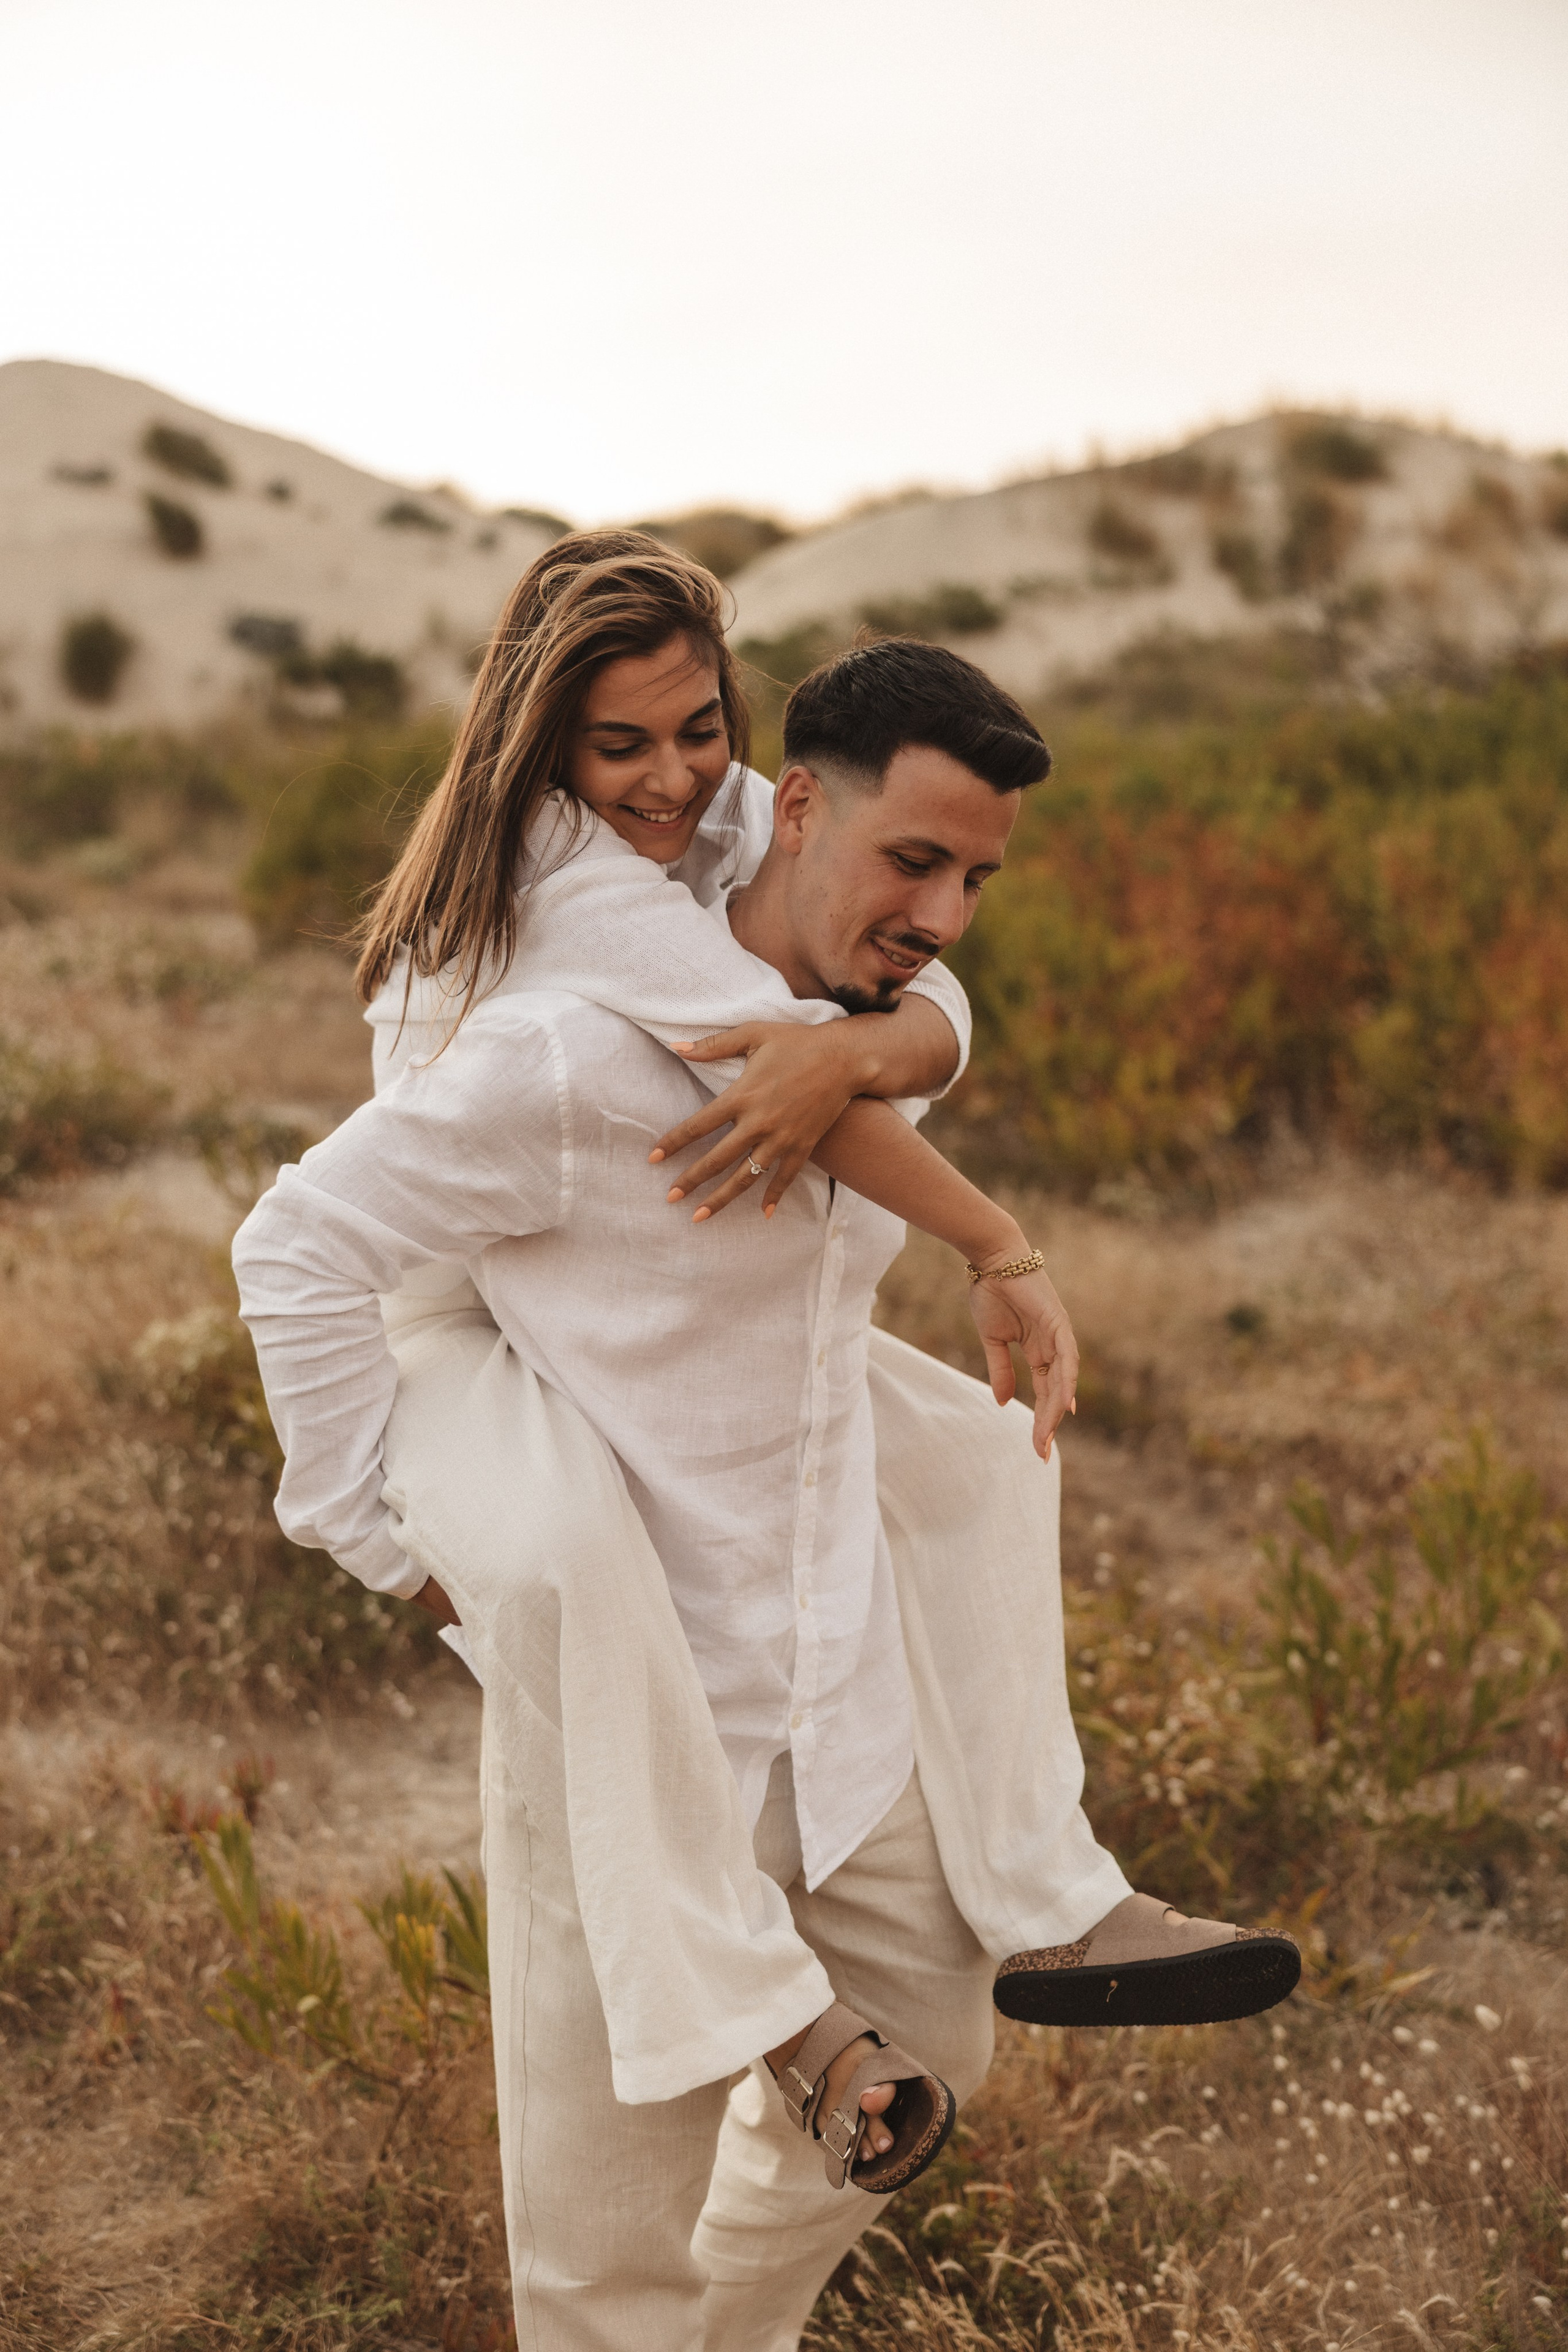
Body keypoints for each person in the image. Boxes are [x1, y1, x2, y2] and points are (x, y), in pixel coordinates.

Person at [234, 544, 1298, 2348]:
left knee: (967, 1483)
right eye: (612, 748)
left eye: (690, 740)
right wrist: (381, 1532)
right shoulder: (561, 997)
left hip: (829, 1660)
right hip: (586, 1554)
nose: (661, 780)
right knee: (602, 2238)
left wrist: (873, 1055)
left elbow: (915, 1010)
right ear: (546, 750)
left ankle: (1040, 1904)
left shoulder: (754, 852)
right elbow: (301, 1245)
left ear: (749, 770)